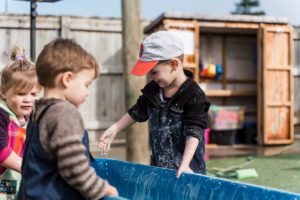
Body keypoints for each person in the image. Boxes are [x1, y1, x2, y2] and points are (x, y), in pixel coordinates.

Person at [99, 31, 210, 178]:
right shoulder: (153, 91)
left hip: (188, 171)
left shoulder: (194, 95)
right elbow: (137, 111)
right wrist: (115, 128)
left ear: (173, 64)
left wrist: (185, 164)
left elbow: (194, 131)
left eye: (154, 72)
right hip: (159, 169)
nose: (150, 77)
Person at [17, 39, 118, 200]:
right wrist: (100, 189)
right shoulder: (63, 113)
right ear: (67, 79)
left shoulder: (38, 112)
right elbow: (73, 166)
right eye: (86, 84)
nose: (88, 92)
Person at [0, 46, 41, 199]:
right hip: (4, 177)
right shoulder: (1, 115)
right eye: (21, 94)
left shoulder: (29, 116)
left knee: (10, 196)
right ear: (3, 92)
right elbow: (1, 151)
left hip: (9, 180)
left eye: (34, 94)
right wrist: (31, 169)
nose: (28, 99)